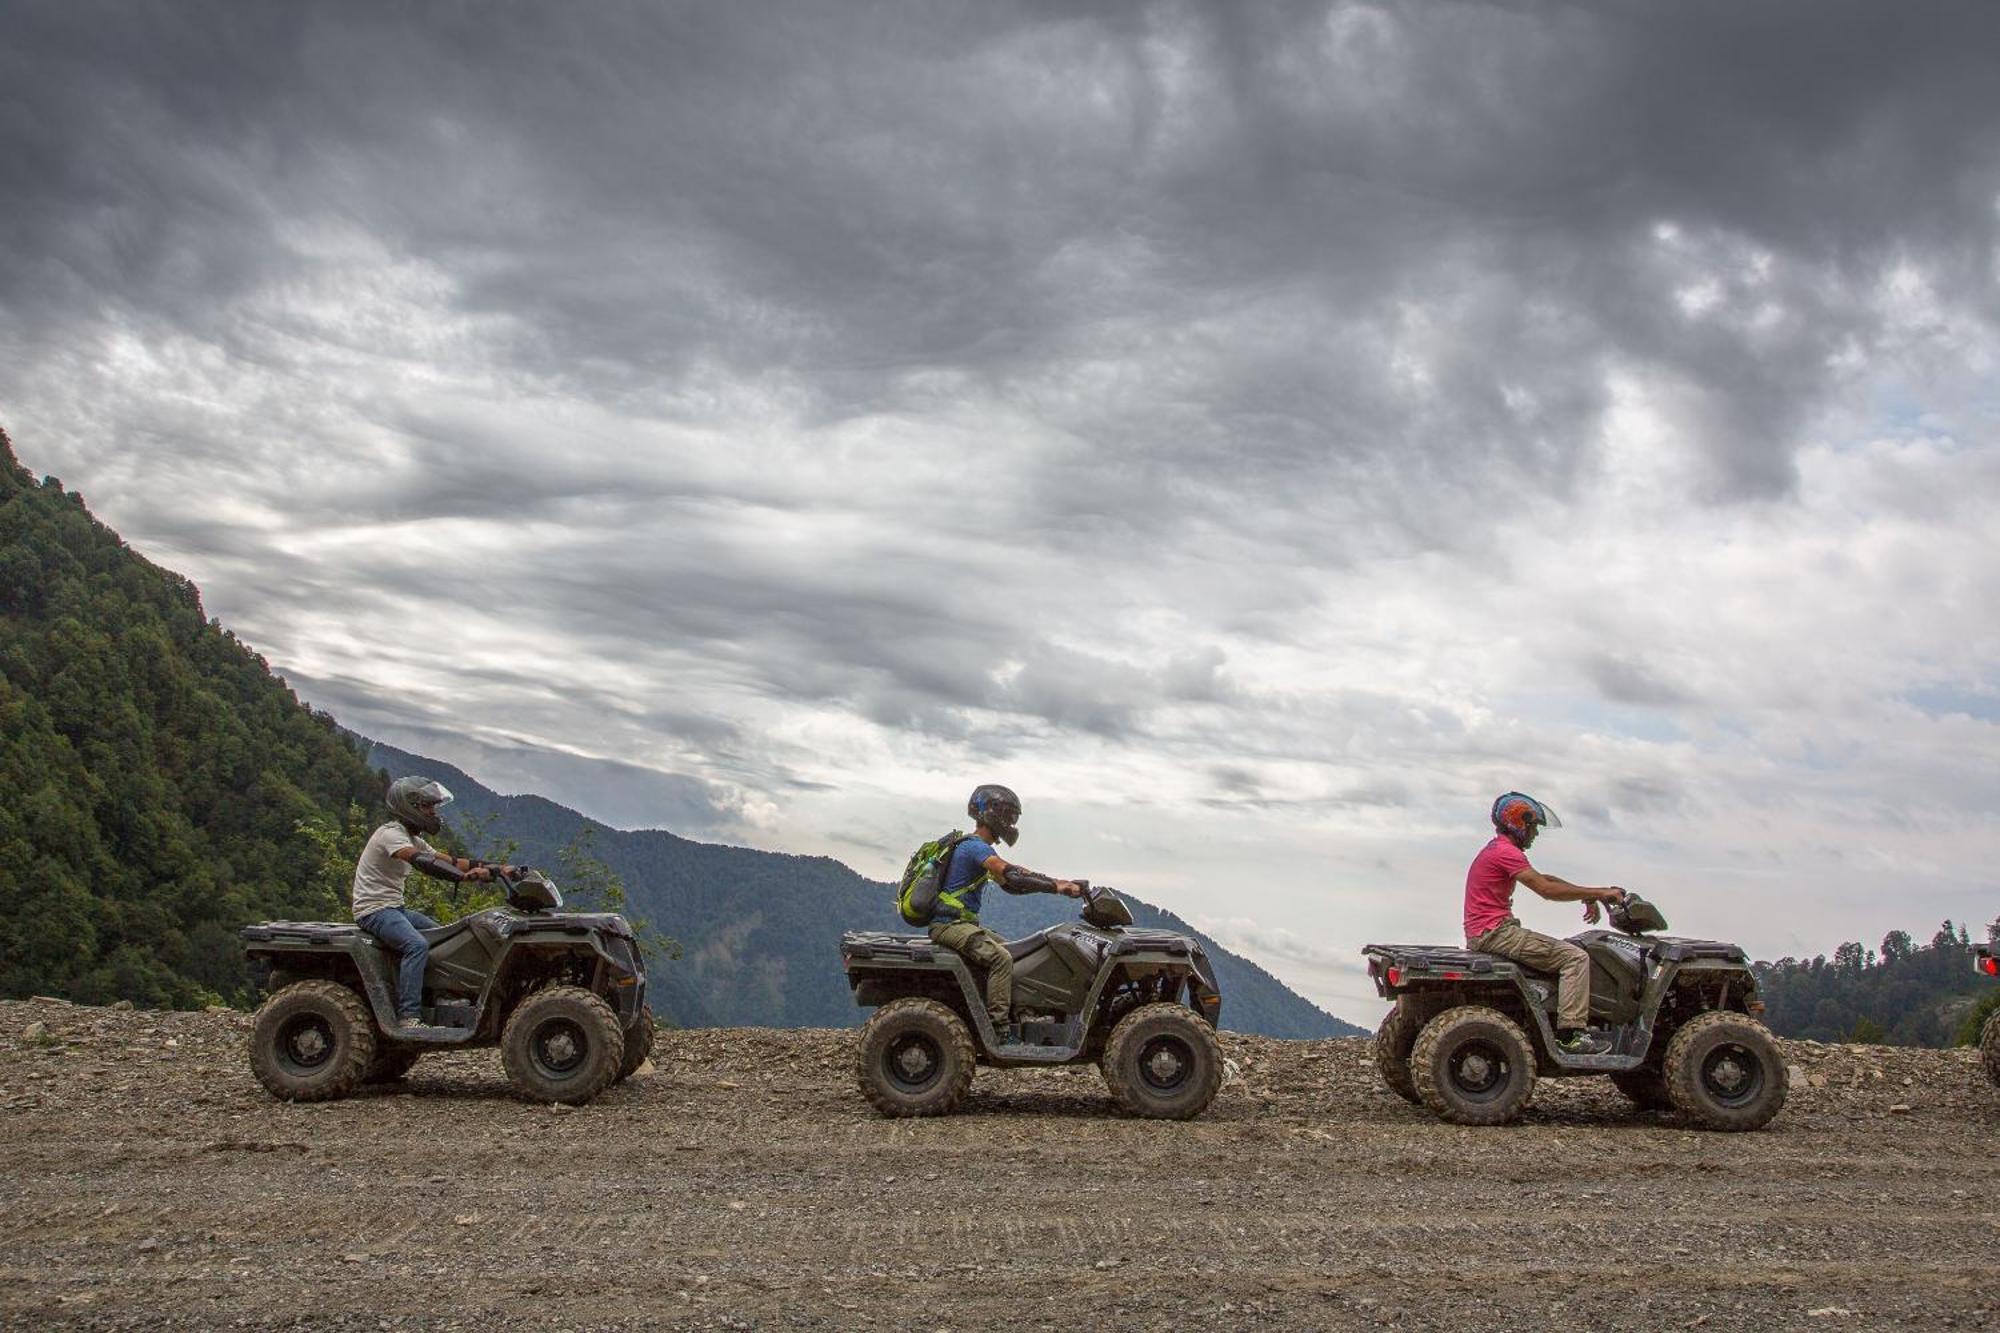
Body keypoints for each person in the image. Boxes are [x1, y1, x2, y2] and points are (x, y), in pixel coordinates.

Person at [1464, 791, 1626, 1055]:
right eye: (1533, 827)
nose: (1535, 834)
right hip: (1497, 932)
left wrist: (1591, 893)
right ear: (1520, 824)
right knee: (1575, 958)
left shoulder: (1498, 850)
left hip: (1485, 931)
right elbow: (1546, 889)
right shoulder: (1507, 852)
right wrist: (1599, 894)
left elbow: (1544, 878)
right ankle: (1571, 1035)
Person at [351, 776, 511, 1030]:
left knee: (441, 937)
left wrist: (498, 869)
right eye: (428, 806)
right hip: (374, 910)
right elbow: (421, 861)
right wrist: (463, 877)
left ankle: (439, 997)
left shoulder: (413, 838)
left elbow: (452, 861)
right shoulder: (391, 835)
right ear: (409, 806)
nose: (433, 812)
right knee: (416, 945)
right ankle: (409, 1017)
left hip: (395, 908)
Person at [930, 784, 1083, 1039]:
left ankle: (1022, 1012)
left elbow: (1013, 885)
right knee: (1001, 958)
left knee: (1016, 952)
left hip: (962, 924)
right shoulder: (975, 847)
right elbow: (1011, 873)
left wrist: (1058, 884)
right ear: (993, 814)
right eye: (1009, 816)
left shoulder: (978, 848)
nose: (1011, 824)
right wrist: (1057, 886)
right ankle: (998, 1029)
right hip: (949, 925)